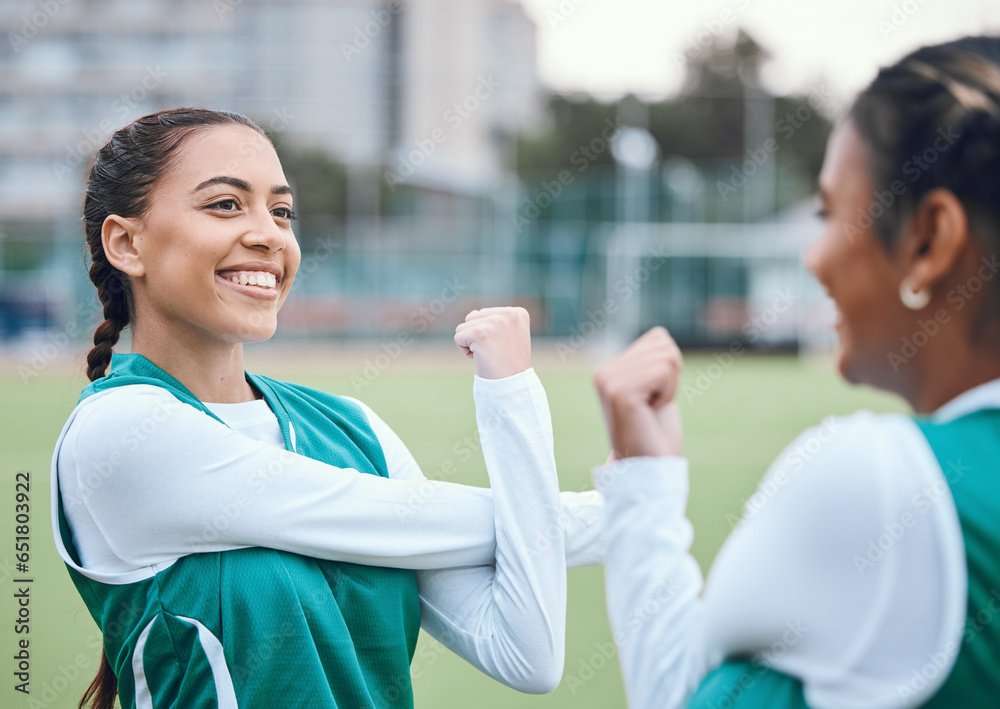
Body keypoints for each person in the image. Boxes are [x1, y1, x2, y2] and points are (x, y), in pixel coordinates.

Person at [49, 108, 603, 709]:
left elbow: (527, 653)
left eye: (281, 211)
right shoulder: (123, 433)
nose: (269, 234)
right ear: (127, 243)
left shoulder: (355, 427)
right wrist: (631, 509)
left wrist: (511, 394)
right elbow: (434, 524)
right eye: (226, 205)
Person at [591, 35, 1000, 709]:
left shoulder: (881, 480)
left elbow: (674, 691)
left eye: (828, 213)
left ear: (929, 239)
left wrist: (645, 482)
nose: (812, 257)